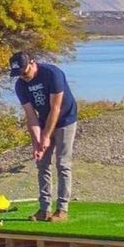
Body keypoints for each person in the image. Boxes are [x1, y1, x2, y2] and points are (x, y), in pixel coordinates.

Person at [10, 51, 77, 222]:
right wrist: (37, 144)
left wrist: (46, 136)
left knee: (62, 163)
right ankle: (44, 209)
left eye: (24, 72)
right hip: (43, 120)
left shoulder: (52, 74)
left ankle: (62, 209)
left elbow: (56, 108)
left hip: (65, 119)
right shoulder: (20, 86)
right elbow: (31, 117)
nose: (23, 77)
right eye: (19, 74)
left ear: (32, 63)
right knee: (42, 163)